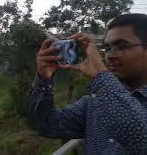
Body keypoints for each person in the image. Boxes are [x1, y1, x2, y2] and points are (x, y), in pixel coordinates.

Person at [28, 13, 147, 154]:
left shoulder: (104, 90)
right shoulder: (95, 102)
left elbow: (141, 139)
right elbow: (46, 125)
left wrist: (101, 75)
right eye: (107, 48)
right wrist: (44, 80)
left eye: (121, 46)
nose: (110, 55)